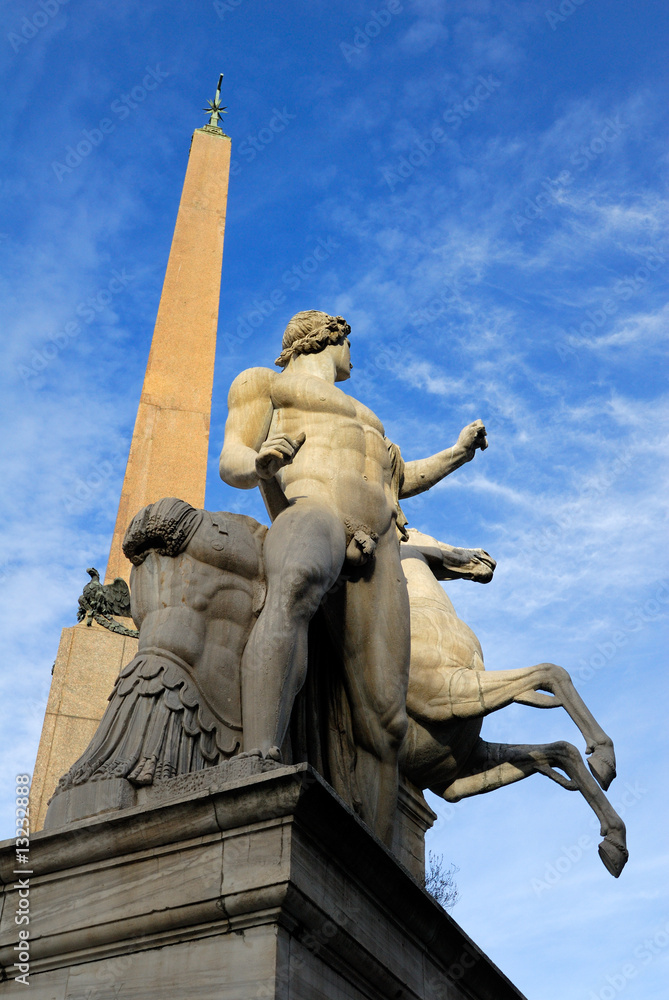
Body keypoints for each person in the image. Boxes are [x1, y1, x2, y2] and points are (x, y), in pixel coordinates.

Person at [219, 310, 487, 842]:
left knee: (386, 724)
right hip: (314, 510)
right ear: (330, 337)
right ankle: (255, 760)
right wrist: (260, 463)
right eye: (349, 345)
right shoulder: (264, 382)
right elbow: (231, 457)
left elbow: (403, 479)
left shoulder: (370, 419)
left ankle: (368, 857)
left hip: (380, 543)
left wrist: (457, 453)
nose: (352, 357)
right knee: (292, 590)